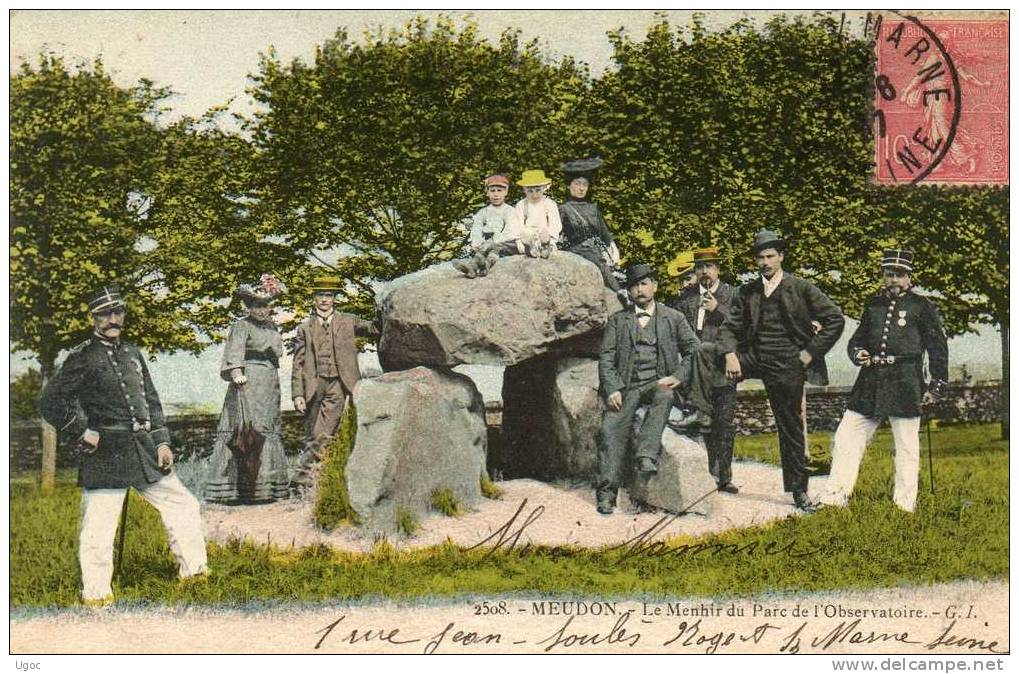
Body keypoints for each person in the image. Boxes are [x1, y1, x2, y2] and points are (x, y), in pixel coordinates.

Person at [40, 285, 208, 606]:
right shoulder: (82, 357)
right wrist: (80, 431)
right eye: (105, 314)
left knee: (183, 505)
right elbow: (50, 401)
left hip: (144, 448)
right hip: (105, 452)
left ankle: (195, 575)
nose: (113, 319)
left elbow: (152, 402)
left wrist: (161, 441)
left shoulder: (133, 353)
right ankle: (97, 596)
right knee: (100, 526)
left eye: (118, 312)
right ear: (93, 317)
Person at [716, 230, 845, 512]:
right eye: (760, 257)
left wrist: (810, 352)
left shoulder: (801, 288)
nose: (765, 262)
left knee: (789, 424)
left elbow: (834, 319)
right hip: (754, 356)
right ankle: (719, 468)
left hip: (788, 362)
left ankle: (799, 490)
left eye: (770, 256)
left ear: (781, 257)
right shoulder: (747, 291)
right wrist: (729, 354)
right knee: (713, 369)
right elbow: (729, 327)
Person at [821, 249, 949, 512]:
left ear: (909, 278)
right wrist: (858, 353)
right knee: (846, 437)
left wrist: (936, 385)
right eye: (889, 274)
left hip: (906, 382)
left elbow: (938, 347)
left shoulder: (922, 307)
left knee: (906, 446)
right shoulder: (873, 305)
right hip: (870, 382)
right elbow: (856, 340)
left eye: (899, 275)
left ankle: (904, 506)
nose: (893, 280)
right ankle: (835, 498)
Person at [596, 263, 700, 515]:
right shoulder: (618, 321)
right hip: (627, 386)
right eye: (634, 286)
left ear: (655, 286)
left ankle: (646, 455)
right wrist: (612, 389)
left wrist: (678, 375)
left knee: (664, 395)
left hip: (658, 383)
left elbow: (694, 350)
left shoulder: (673, 318)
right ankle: (606, 493)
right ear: (629, 292)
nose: (639, 290)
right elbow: (607, 359)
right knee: (610, 429)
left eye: (644, 284)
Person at [204, 275, 290, 504]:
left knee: (267, 429)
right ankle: (237, 489)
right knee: (247, 430)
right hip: (248, 383)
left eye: (265, 305)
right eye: (256, 305)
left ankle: (268, 489)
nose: (261, 310)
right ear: (248, 306)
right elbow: (234, 354)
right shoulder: (241, 326)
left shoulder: (272, 327)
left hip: (269, 384)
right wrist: (237, 375)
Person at [290, 275, 379, 491]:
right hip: (313, 386)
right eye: (320, 295)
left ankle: (300, 481)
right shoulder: (304, 328)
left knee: (324, 433)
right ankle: (313, 483)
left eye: (328, 295)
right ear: (314, 299)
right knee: (313, 435)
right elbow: (298, 364)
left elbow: (376, 329)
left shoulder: (349, 321)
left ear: (335, 298)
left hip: (338, 384)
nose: (324, 300)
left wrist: (386, 306)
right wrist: (298, 395)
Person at [667, 247, 740, 493]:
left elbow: (745, 326)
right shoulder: (685, 298)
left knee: (724, 422)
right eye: (700, 267)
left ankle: (724, 477)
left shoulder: (732, 295)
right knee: (703, 422)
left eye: (709, 266)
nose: (705, 272)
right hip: (695, 370)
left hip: (722, 367)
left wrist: (718, 309)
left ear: (718, 269)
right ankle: (708, 477)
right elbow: (674, 330)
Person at [557, 157, 623, 297]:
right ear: (569, 185)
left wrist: (613, 250)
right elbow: (557, 235)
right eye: (577, 184)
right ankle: (619, 292)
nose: (581, 188)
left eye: (585, 184)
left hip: (597, 251)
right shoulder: (563, 209)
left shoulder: (593, 208)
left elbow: (605, 234)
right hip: (575, 251)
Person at [453, 174, 524, 278]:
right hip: (488, 246)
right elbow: (476, 229)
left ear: (506, 192)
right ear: (487, 192)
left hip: (507, 243)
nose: (496, 194)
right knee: (487, 252)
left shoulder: (510, 211)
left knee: (493, 248)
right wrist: (477, 243)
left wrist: (492, 242)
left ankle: (477, 265)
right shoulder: (483, 212)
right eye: (492, 191)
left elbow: (510, 231)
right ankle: (479, 267)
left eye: (499, 191)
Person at [514, 169, 562, 258]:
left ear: (544, 188)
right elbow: (517, 225)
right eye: (530, 191)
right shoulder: (521, 205)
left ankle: (545, 247)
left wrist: (551, 239)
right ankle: (530, 248)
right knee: (526, 234)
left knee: (545, 235)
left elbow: (555, 224)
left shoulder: (549, 204)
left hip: (544, 234)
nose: (535, 195)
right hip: (529, 235)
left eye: (538, 190)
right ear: (524, 189)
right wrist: (519, 241)